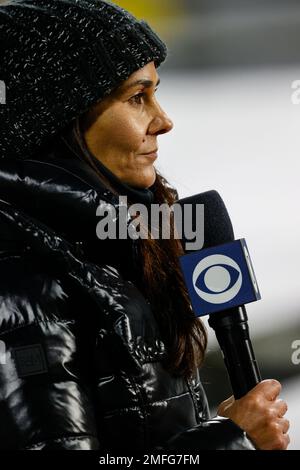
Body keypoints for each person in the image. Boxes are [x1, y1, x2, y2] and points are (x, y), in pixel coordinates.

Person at [0, 0, 289, 452]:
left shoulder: (110, 244)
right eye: (138, 97)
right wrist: (232, 438)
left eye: (156, 93)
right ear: (57, 120)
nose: (164, 120)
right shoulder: (23, 280)